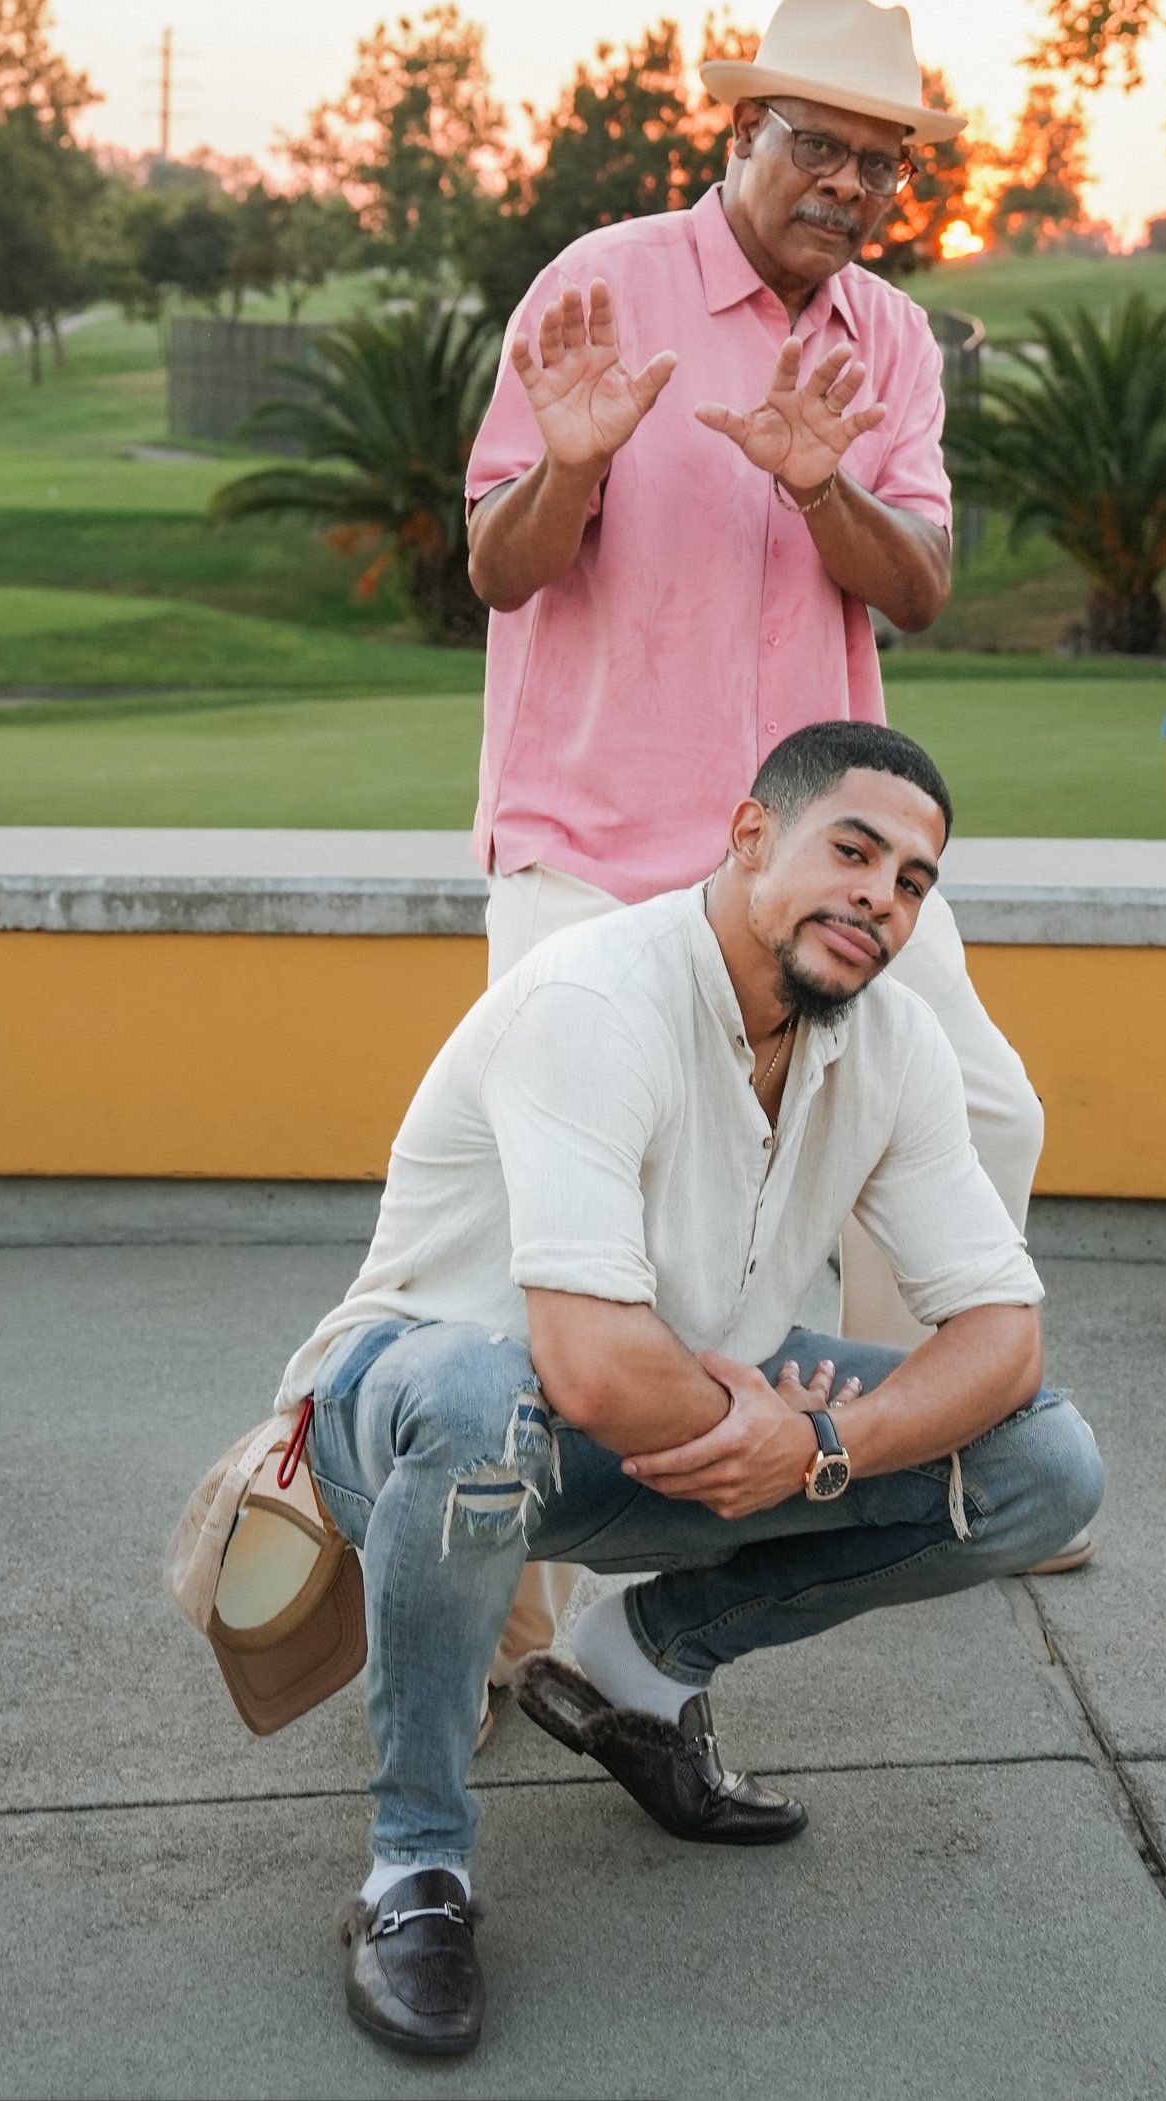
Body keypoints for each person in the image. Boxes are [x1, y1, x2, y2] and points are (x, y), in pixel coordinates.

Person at [286, 720, 1104, 2059]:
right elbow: (587, 1359)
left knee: (1045, 1463)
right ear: (746, 838)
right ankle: (413, 1867)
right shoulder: (597, 995)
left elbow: (1003, 1330)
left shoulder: (889, 1042)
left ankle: (639, 1665)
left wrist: (826, 1441)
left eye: (912, 880)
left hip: (673, 1434)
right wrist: (782, 1440)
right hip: (413, 1420)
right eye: (853, 850)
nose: (881, 898)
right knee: (482, 1391)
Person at [463, 0, 1083, 1669]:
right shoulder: (599, 286)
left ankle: (876, 1452)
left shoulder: (886, 337)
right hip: (594, 842)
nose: (849, 183)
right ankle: (517, 1578)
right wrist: (574, 464)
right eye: (815, 142)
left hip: (818, 854)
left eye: (879, 161)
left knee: (984, 1108)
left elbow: (927, 584)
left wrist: (824, 484)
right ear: (737, 135)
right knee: (543, 1212)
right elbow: (499, 568)